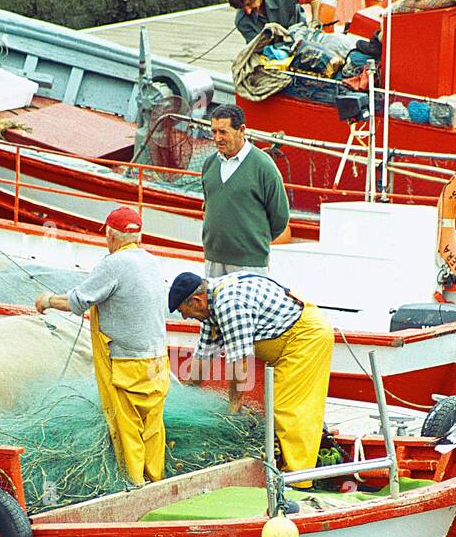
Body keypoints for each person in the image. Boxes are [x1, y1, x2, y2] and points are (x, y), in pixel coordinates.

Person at [36, 207, 169, 484]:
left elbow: (77, 301)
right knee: (153, 428)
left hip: (127, 364)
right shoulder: (153, 262)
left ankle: (135, 487)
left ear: (111, 236)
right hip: (158, 363)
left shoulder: (113, 264)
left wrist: (47, 300)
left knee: (128, 429)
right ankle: (157, 481)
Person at [168, 270, 334, 480]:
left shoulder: (229, 304)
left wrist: (233, 406)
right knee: (278, 406)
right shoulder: (209, 309)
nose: (185, 317)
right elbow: (203, 358)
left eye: (185, 311)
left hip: (305, 338)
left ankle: (297, 480)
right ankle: (284, 467)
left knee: (289, 408)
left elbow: (239, 362)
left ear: (197, 300)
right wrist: (187, 394)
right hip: (286, 343)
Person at [202, 103, 290, 278]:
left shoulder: (263, 167)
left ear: (241, 130)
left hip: (250, 264)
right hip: (213, 259)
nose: (217, 138)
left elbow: (280, 217)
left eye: (223, 132)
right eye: (214, 132)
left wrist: (252, 244)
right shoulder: (209, 164)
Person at [228, 0, 306, 45]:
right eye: (242, 7)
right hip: (272, 52)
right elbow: (257, 47)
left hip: (301, 36)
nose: (248, 11)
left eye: (249, 4)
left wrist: (314, 20)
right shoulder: (242, 22)